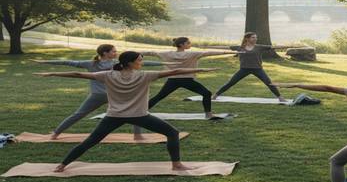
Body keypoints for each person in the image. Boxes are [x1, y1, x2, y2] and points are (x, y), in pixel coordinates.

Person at [35, 51, 217, 172]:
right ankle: (176, 164)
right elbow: (176, 71)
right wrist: (201, 68)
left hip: (114, 116)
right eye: (140, 60)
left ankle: (62, 165)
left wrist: (51, 74)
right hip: (140, 116)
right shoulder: (144, 76)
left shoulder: (108, 75)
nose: (142, 62)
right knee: (172, 133)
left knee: (90, 141)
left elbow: (78, 75)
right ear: (131, 63)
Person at [34, 44, 165, 139]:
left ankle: (56, 134)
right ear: (104, 53)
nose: (116, 53)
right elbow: (145, 63)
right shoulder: (118, 64)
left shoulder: (90, 63)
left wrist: (44, 62)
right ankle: (137, 135)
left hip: (98, 95)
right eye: (113, 51)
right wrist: (164, 64)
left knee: (78, 114)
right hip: (114, 95)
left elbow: (69, 63)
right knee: (136, 111)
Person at [141, 37, 239, 119]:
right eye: (188, 43)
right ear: (182, 45)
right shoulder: (192, 54)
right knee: (207, 93)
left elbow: (150, 52)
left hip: (172, 80)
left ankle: (141, 111)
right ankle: (208, 114)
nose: (190, 44)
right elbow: (210, 53)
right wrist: (228, 52)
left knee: (159, 96)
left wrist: (131, 52)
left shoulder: (166, 54)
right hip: (187, 80)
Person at [206, 32, 290, 102]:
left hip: (258, 69)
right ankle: (215, 95)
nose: (255, 39)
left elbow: (274, 47)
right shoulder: (240, 47)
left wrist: (288, 46)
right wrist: (207, 47)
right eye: (253, 37)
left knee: (269, 83)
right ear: (247, 38)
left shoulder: (259, 47)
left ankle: (280, 98)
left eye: (256, 37)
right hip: (244, 69)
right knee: (231, 82)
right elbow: (225, 47)